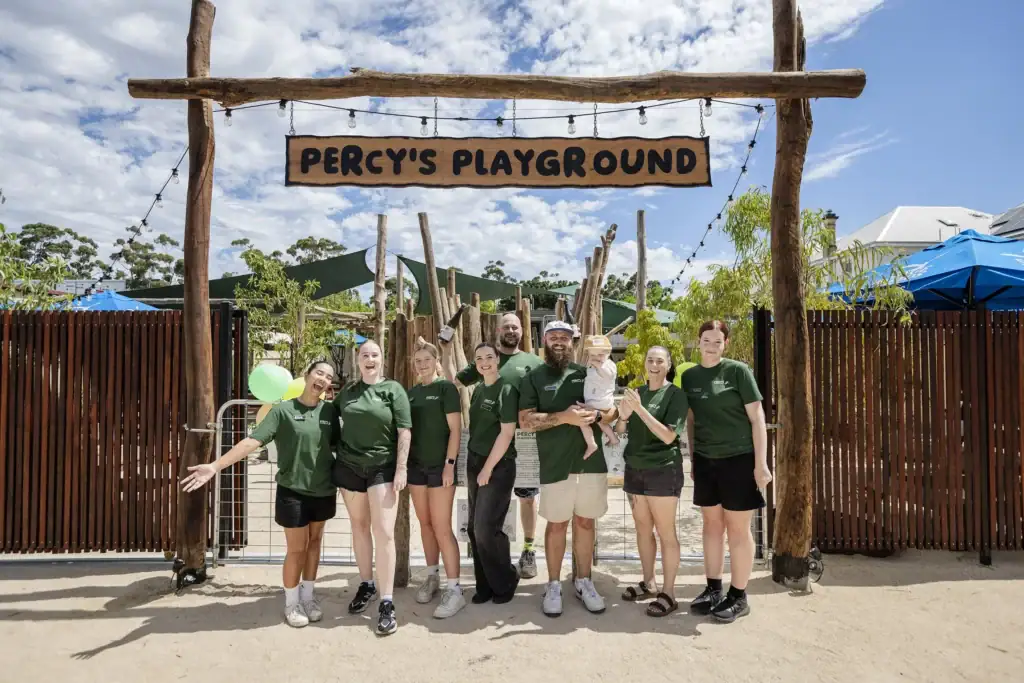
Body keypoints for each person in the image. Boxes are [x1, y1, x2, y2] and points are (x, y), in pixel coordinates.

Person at [181, 361, 338, 628]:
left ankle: (309, 597)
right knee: (297, 549)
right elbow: (252, 442)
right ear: (307, 375)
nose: (323, 379)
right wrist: (215, 466)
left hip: (323, 490)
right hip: (293, 491)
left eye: (328, 377)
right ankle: (291, 603)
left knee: (315, 544)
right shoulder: (282, 411)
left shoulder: (330, 412)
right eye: (318, 373)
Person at [518, 320, 617, 617]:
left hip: (590, 464)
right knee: (557, 524)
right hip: (554, 465)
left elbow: (611, 410)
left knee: (586, 523)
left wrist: (596, 415)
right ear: (544, 341)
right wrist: (564, 417)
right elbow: (525, 421)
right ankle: (552, 585)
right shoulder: (534, 376)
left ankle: (584, 581)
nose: (559, 341)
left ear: (573, 341)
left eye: (564, 337)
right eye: (553, 337)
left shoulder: (587, 372)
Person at [682, 320, 772, 623]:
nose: (711, 346)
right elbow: (691, 421)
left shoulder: (737, 371)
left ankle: (739, 594)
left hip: (739, 459)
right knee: (711, 526)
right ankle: (713, 588)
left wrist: (761, 463)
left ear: (725, 344)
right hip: (707, 461)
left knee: (737, 528)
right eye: (706, 340)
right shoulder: (690, 376)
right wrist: (694, 458)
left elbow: (757, 418)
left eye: (717, 341)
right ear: (698, 341)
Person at [448, 312, 543, 579]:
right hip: (491, 443)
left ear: (521, 331)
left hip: (524, 441)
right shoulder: (487, 360)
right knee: (490, 508)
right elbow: (456, 380)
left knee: (527, 497)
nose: (511, 330)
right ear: (498, 330)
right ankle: (493, 559)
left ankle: (528, 549)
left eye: (515, 326)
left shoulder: (534, 362)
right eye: (506, 326)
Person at [331, 340, 412, 636]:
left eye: (375, 355)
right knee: (359, 527)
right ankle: (366, 584)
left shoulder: (394, 390)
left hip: (383, 468)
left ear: (382, 360)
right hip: (350, 467)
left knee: (385, 532)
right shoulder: (348, 393)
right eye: (364, 355)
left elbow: (404, 430)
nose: (369, 359)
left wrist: (401, 467)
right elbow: (329, 422)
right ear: (358, 359)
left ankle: (387, 601)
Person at [614, 346, 689, 617]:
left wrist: (640, 410)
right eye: (650, 360)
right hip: (634, 469)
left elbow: (669, 436)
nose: (654, 364)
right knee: (643, 530)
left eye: (660, 360)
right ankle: (649, 582)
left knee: (665, 532)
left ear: (668, 365)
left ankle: (669, 593)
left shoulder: (676, 396)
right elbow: (621, 429)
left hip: (663, 470)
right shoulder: (638, 392)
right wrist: (623, 414)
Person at [406, 338, 465, 619]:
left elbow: (455, 430)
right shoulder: (411, 393)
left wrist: (449, 465)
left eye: (426, 359)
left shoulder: (446, 389)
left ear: (436, 362)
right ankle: (432, 576)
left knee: (442, 527)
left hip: (441, 467)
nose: (422, 365)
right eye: (417, 361)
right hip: (415, 468)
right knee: (425, 524)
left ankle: (455, 589)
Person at [466, 341, 521, 604]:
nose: (485, 362)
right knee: (473, 529)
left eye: (489, 357)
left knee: (485, 527)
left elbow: (507, 433)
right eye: (479, 358)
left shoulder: (506, 390)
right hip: (474, 462)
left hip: (497, 466)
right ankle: (485, 584)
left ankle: (506, 579)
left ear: (498, 359)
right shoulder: (477, 390)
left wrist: (487, 468)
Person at [581, 334, 619, 459]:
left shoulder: (608, 365)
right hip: (595, 401)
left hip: (601, 401)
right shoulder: (592, 366)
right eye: (592, 355)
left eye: (600, 355)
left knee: (582, 419)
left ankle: (591, 443)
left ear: (608, 353)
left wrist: (598, 365)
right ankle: (613, 439)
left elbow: (608, 376)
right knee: (601, 423)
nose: (596, 358)